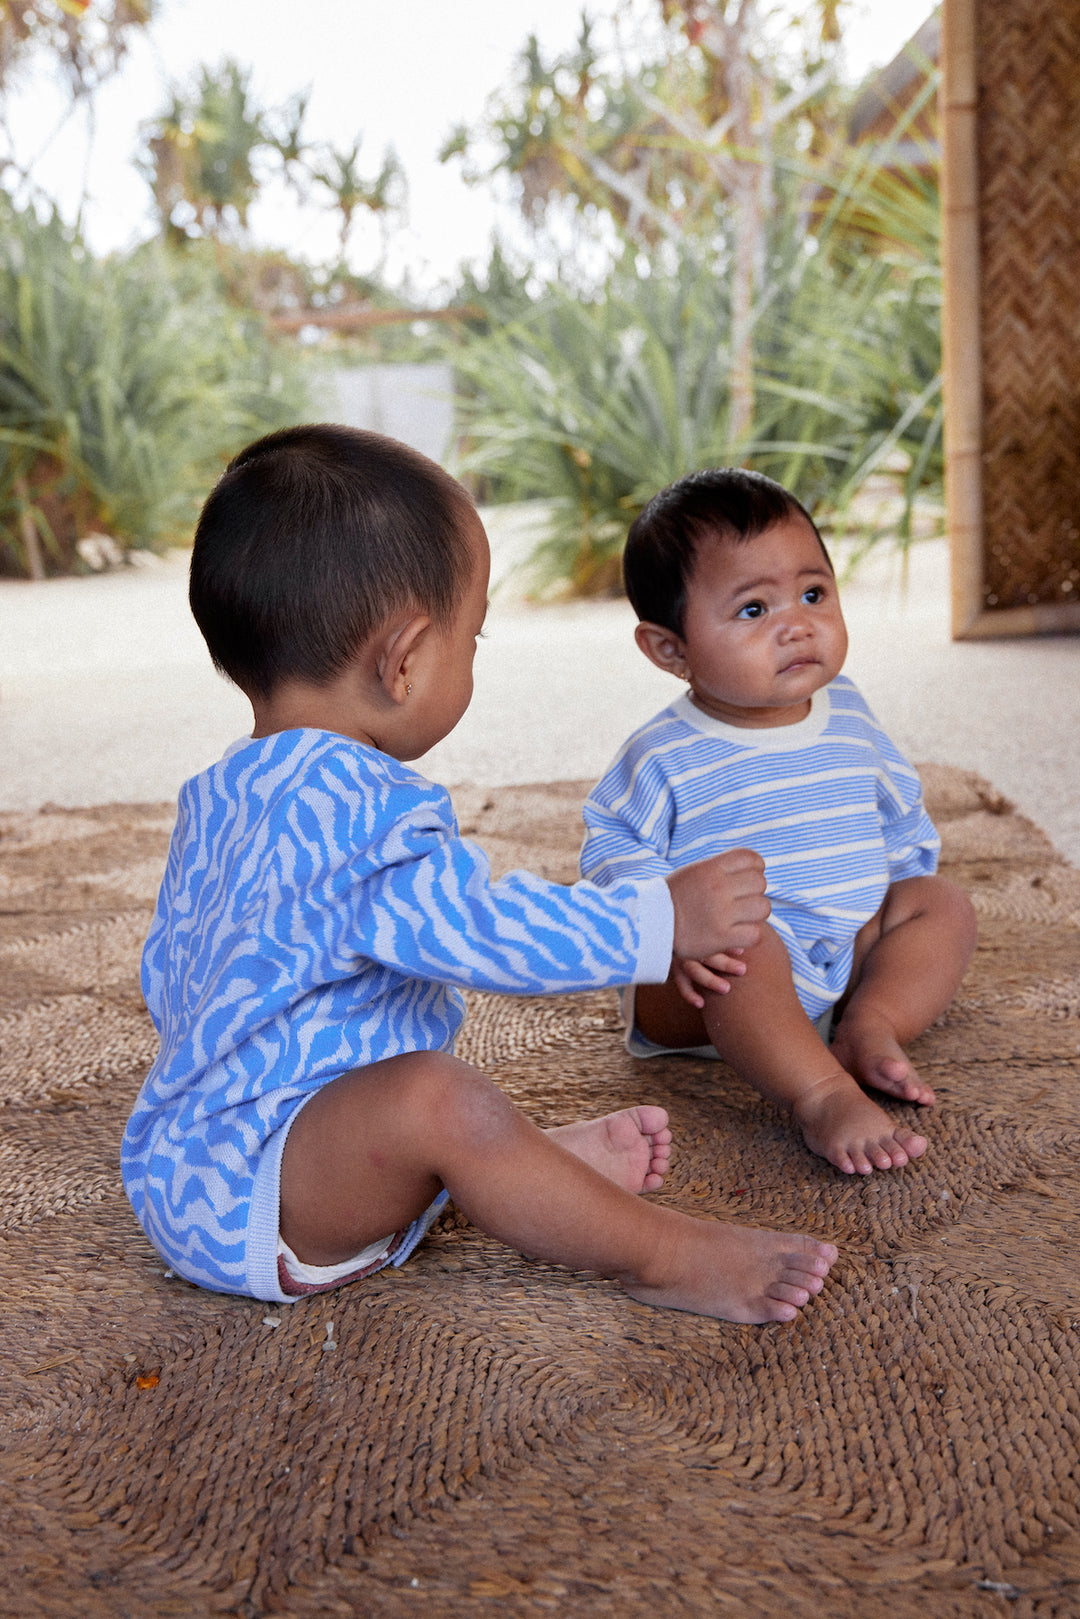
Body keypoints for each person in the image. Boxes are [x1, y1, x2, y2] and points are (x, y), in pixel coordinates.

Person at [121, 426, 838, 1324]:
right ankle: (662, 1253)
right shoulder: (360, 812)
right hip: (263, 1191)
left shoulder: (224, 791)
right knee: (440, 1099)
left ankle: (500, 1174)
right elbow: (485, 932)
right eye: (474, 633)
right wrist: (659, 920)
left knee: (426, 1099)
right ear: (408, 659)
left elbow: (168, 975)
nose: (472, 656)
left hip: (190, 1163)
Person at [581, 467, 978, 1177]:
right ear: (671, 649)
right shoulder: (664, 752)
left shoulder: (849, 709)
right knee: (750, 944)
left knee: (940, 902)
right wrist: (671, 924)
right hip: (704, 981)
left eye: (813, 592)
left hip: (833, 953)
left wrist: (896, 895)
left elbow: (895, 808)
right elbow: (612, 844)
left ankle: (870, 1022)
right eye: (753, 610)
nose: (797, 622)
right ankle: (821, 1091)